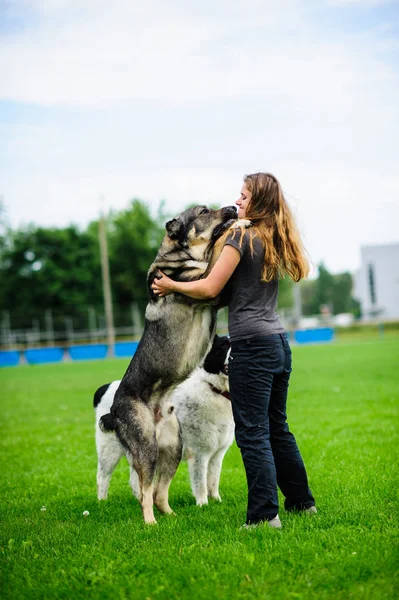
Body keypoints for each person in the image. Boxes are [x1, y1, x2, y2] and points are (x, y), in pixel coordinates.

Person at [151, 172, 316, 528]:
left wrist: (170, 285)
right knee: (277, 428)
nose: (238, 201)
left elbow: (211, 288)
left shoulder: (242, 235)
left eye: (244, 196)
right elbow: (229, 292)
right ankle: (302, 503)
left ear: (259, 202)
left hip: (252, 347)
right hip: (278, 345)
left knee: (253, 432)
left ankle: (263, 516)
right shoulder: (272, 237)